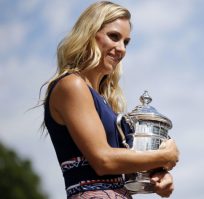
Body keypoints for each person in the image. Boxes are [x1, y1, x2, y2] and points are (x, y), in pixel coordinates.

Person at [42, 1, 179, 198]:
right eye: (114, 36)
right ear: (89, 34)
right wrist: (164, 156)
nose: (121, 48)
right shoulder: (71, 85)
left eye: (126, 42)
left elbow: (125, 169)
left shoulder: (104, 101)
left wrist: (158, 175)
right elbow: (103, 160)